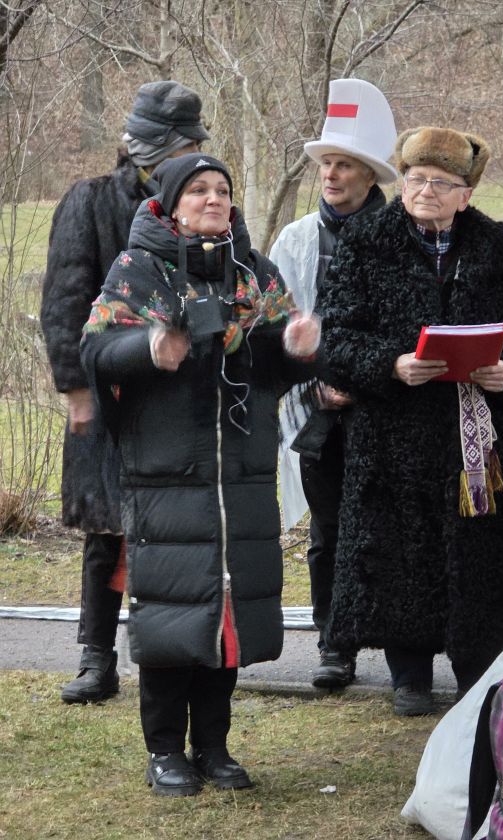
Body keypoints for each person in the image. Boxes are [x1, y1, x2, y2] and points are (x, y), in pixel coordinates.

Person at [81, 153, 318, 796]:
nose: (214, 200)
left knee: (227, 618)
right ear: (171, 202)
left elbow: (273, 366)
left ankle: (213, 747)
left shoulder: (253, 271)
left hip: (239, 473)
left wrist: (297, 348)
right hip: (166, 473)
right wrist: (149, 349)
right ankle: (165, 752)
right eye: (200, 190)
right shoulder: (138, 271)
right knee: (170, 615)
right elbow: (95, 350)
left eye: (222, 190)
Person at [318, 126, 503, 716]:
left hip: (476, 434)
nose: (425, 191)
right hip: (394, 433)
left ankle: (480, 666)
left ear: (465, 194)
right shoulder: (364, 242)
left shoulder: (502, 251)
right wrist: (391, 364)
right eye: (416, 179)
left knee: (480, 553)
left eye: (440, 183)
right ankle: (409, 675)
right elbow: (335, 340)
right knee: (403, 550)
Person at [40, 80, 210, 704]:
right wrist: (76, 390)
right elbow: (63, 301)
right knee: (106, 529)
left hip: (178, 401)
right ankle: (96, 658)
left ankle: (175, 655)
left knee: (172, 530)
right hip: (106, 391)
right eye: (175, 147)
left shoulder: (198, 205)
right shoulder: (89, 202)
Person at [271, 78, 397, 689]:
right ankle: (334, 643)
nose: (331, 174)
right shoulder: (296, 240)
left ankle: (406, 652)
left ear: (370, 176)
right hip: (319, 412)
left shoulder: (401, 237)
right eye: (326, 163)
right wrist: (317, 384)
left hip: (387, 408)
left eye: (344, 165)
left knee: (393, 528)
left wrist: (368, 382)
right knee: (328, 534)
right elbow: (274, 326)